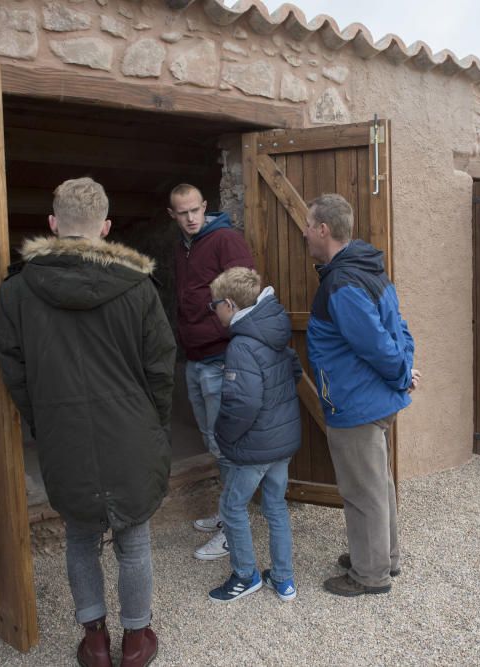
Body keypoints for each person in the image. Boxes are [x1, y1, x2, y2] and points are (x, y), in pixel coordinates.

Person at [0, 178, 176, 667]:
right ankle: (136, 641)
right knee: (133, 540)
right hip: (131, 431)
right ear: (106, 227)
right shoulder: (138, 287)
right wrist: (154, 425)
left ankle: (95, 641)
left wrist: (43, 422)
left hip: (64, 432)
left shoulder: (17, 290)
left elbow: (14, 370)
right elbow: (161, 367)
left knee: (79, 537)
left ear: (53, 224)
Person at [302, 193, 421, 597]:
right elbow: (400, 328)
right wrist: (404, 371)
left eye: (308, 226)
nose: (305, 233)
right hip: (375, 397)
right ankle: (384, 557)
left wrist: (401, 374)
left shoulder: (342, 283)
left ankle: (370, 574)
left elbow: (375, 343)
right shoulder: (369, 267)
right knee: (378, 484)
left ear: (323, 230)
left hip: (357, 402)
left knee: (362, 491)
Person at [168, 184, 255, 561]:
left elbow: (247, 293)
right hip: (195, 357)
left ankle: (234, 530)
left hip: (220, 357)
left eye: (195, 210)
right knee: (212, 440)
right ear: (172, 215)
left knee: (226, 443)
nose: (190, 218)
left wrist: (226, 335)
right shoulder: (184, 247)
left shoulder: (225, 240)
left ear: (205, 207)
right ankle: (227, 512)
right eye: (182, 212)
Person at [205, 267, 302, 603]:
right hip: (281, 441)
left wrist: (224, 435)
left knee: (232, 506)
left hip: (255, 445)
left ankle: (245, 575)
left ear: (230, 304)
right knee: (275, 506)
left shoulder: (242, 345)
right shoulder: (272, 330)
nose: (213, 311)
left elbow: (243, 403)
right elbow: (294, 371)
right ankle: (283, 579)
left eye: (214, 305)